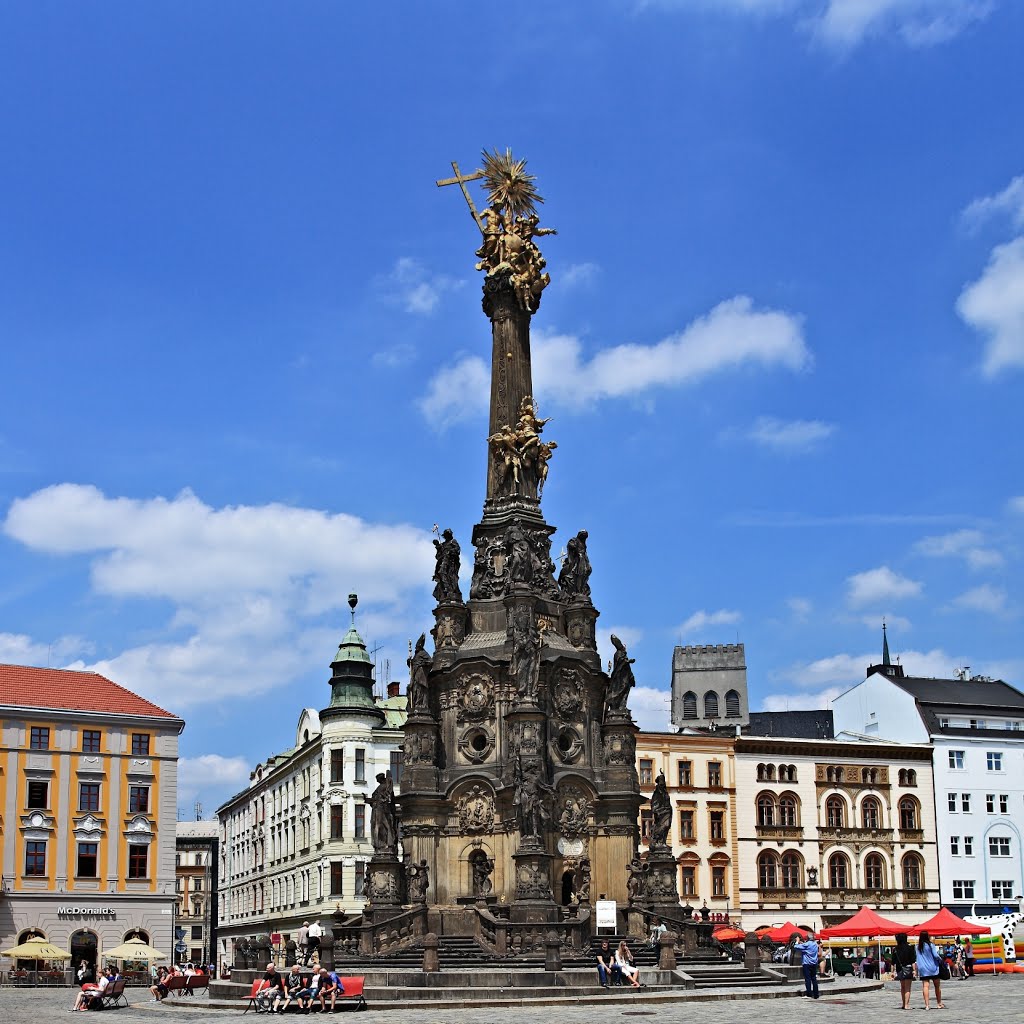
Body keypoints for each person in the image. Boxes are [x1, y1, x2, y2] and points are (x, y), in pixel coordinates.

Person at [915, 930, 945, 1009]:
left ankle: (927, 1005)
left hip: (923, 968)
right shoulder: (931, 945)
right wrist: (940, 959)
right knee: (937, 986)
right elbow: (935, 955)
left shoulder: (917, 946)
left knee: (925, 986)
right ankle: (939, 1003)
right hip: (933, 967)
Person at [893, 932, 917, 1010]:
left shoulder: (895, 949)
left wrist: (893, 971)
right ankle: (906, 1004)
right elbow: (913, 960)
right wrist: (914, 970)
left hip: (900, 969)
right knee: (907, 988)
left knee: (902, 987)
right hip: (908, 968)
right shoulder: (910, 947)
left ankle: (903, 1004)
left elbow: (893, 962)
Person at [793, 932, 821, 999]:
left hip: (807, 964)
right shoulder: (815, 944)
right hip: (814, 963)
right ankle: (816, 994)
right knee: (814, 979)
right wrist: (802, 943)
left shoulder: (807, 944)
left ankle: (809, 994)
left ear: (808, 938)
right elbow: (807, 946)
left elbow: (795, 947)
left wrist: (797, 941)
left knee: (808, 979)